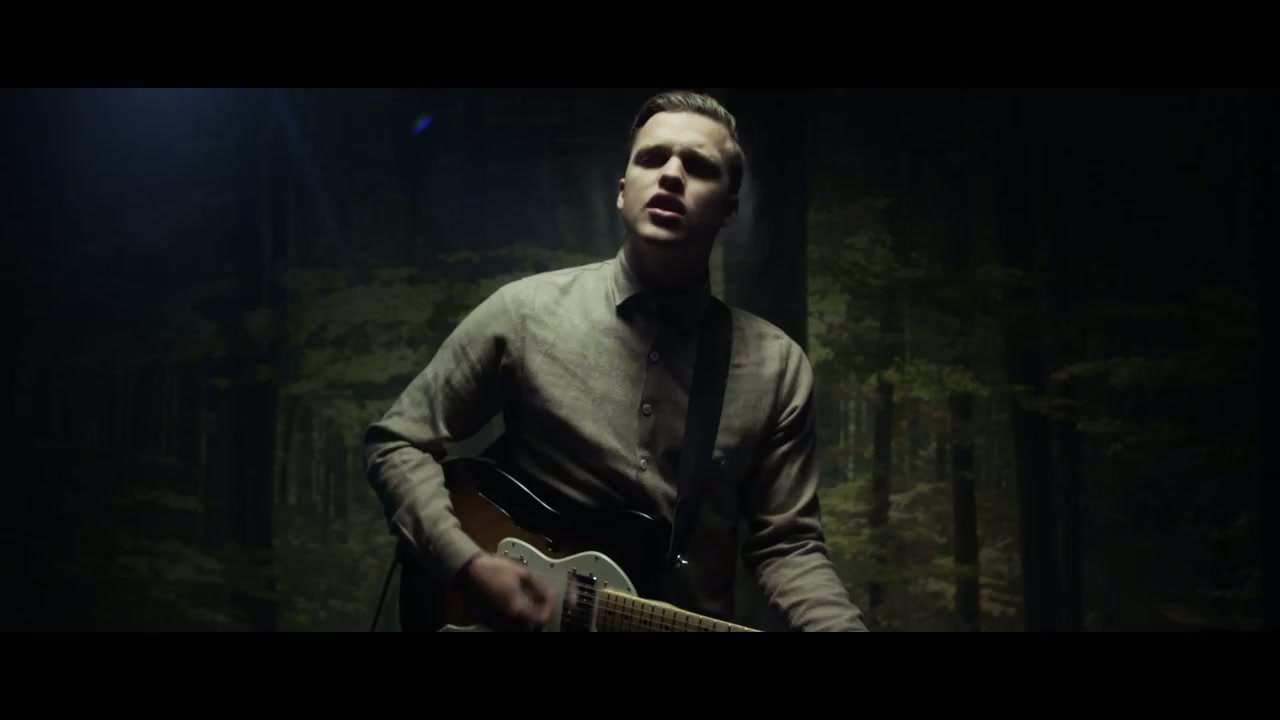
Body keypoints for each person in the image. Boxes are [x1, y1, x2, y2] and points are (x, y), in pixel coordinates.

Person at [363, 89, 868, 632]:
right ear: (623, 192)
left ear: (729, 208)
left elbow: (788, 545)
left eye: (699, 166)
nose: (671, 175)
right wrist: (465, 565)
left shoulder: (777, 368)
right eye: (652, 158)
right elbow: (398, 442)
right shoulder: (524, 314)